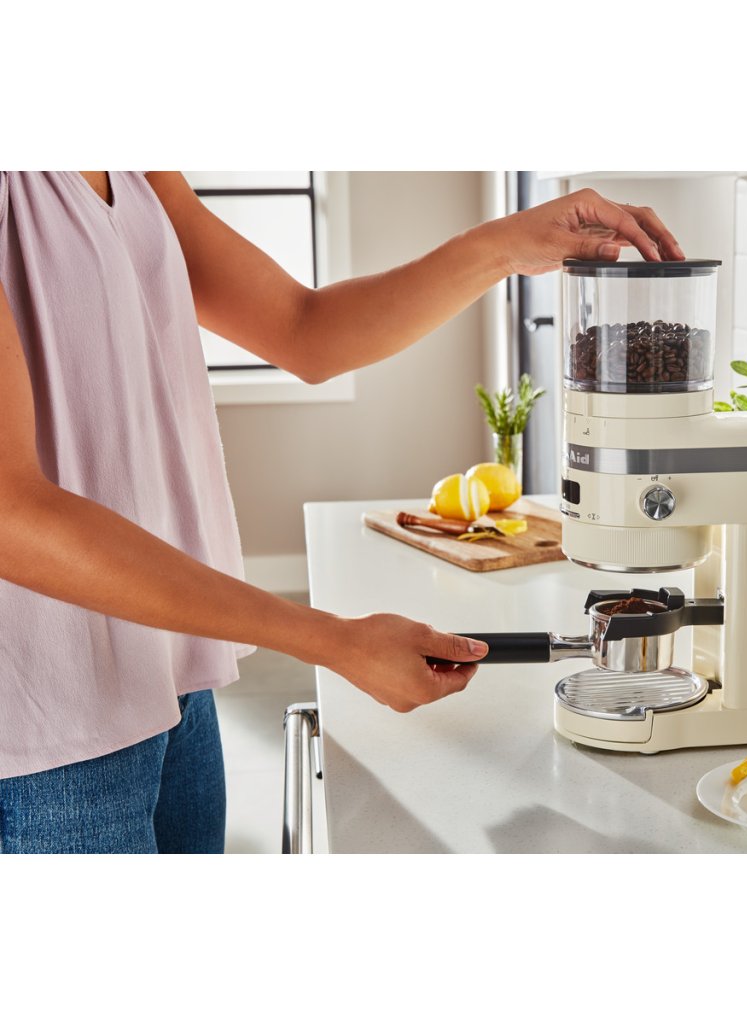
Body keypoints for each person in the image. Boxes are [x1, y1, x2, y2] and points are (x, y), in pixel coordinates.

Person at [0, 171, 685, 854]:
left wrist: (504, 246)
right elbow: (11, 515)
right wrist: (330, 640)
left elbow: (304, 330)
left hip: (168, 664)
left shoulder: (136, 165)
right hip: (43, 715)